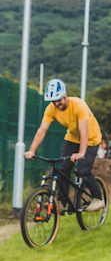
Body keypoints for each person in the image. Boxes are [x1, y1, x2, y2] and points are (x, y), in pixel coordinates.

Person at [24, 78, 105, 212]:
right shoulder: (51, 109)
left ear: (65, 95)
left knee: (83, 170)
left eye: (59, 100)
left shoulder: (79, 105)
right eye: (53, 101)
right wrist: (31, 150)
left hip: (91, 139)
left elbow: (84, 131)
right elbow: (42, 130)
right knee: (63, 170)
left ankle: (98, 198)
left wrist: (81, 153)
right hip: (72, 138)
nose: (57, 104)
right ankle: (62, 202)